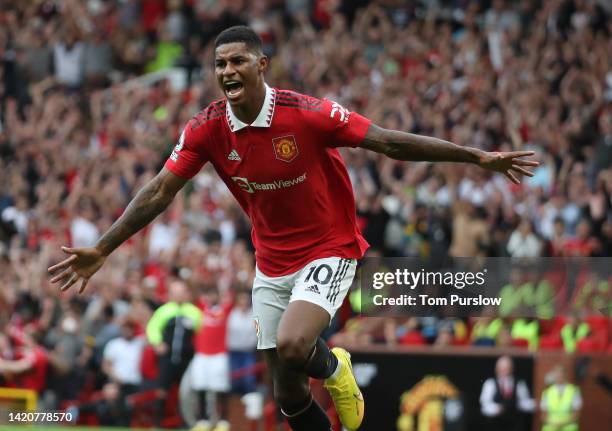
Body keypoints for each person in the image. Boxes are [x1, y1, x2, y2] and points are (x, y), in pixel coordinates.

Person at [48, 26, 538, 431]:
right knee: (286, 390)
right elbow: (159, 190)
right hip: (272, 262)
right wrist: (104, 248)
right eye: (220, 65)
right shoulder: (206, 128)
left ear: (262, 65)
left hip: (330, 247)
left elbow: (389, 143)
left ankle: (337, 367)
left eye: (238, 61)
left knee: (294, 345)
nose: (227, 72)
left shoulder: (308, 114)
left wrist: (475, 157)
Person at [145, 280, 203, 426]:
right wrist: (157, 343)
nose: (178, 295)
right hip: (167, 358)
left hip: (186, 360)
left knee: (186, 393)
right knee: (161, 391)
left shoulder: (193, 312)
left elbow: (202, 333)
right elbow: (152, 328)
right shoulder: (164, 311)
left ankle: (187, 423)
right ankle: (157, 424)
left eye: (181, 292)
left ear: (186, 294)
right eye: (175, 292)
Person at [191, 286, 233, 431]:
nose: (211, 298)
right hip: (201, 354)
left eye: (214, 295)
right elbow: (193, 290)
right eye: (209, 295)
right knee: (200, 387)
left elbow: (235, 294)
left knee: (220, 388)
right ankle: (203, 421)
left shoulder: (225, 309)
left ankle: (223, 421)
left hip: (219, 355)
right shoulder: (201, 307)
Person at [480, 355, 535, 431]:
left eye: (507, 368)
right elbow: (484, 405)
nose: (504, 371)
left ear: (512, 369)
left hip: (514, 423)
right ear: (497, 369)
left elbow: (525, 402)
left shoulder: (519, 383)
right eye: (502, 369)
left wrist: (534, 404)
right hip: (496, 424)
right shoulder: (490, 383)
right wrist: (496, 409)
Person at [540, 366, 582, 431]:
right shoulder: (547, 392)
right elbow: (543, 415)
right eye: (557, 374)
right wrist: (553, 423)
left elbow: (577, 413)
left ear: (565, 375)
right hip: (551, 428)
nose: (559, 376)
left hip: (568, 428)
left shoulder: (574, 391)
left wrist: (562, 423)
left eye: (561, 373)